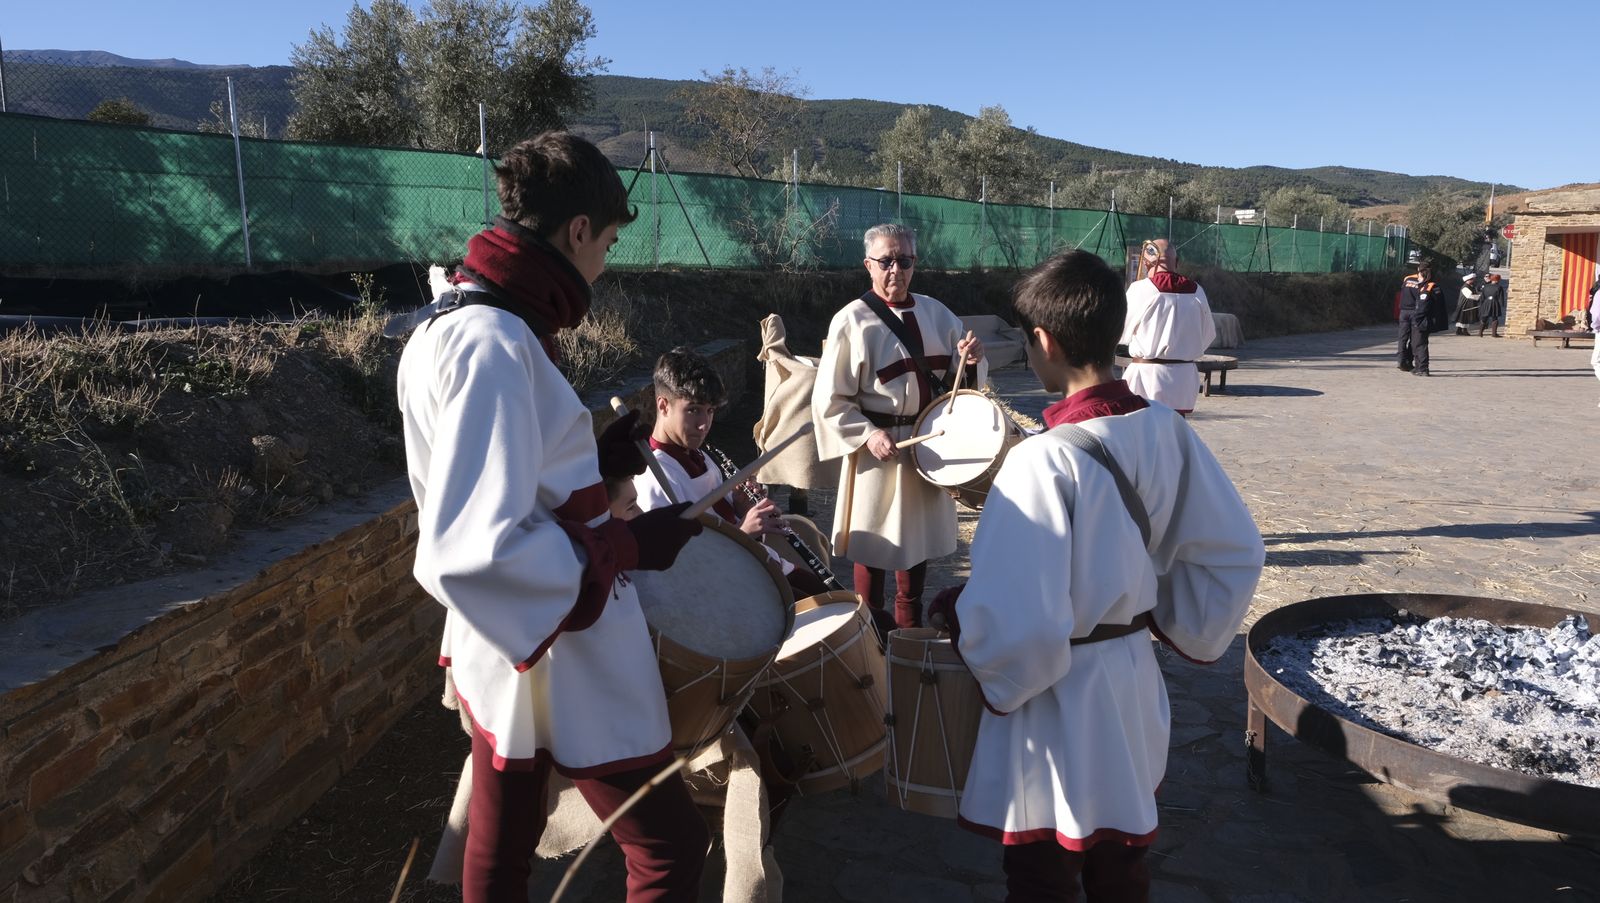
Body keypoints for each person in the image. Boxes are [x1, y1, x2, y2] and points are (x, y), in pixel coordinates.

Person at [396, 131, 709, 903]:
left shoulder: (452, 321)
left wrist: (596, 467)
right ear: (576, 231)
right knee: (669, 845)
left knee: (502, 847)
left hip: (510, 639)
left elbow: (504, 484)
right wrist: (631, 541)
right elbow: (474, 548)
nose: (603, 262)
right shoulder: (494, 343)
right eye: (604, 242)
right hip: (556, 646)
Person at [927, 250, 1264, 903]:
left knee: (1041, 873)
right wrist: (1165, 613)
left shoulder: (1037, 463)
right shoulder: (1168, 429)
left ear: (1044, 342)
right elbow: (1234, 550)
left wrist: (962, 612)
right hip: (1129, 680)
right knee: (1122, 866)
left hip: (1054, 701)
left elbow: (1014, 620)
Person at [813, 223, 985, 630]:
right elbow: (830, 400)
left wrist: (973, 362)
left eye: (904, 260)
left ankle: (908, 638)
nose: (896, 270)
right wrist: (868, 434)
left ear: (915, 263)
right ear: (868, 265)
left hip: (928, 448)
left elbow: (958, 387)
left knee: (916, 549)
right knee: (872, 545)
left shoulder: (938, 313)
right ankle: (868, 635)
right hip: (879, 449)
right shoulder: (850, 321)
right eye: (886, 261)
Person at [633, 346, 830, 599]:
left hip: (759, 564)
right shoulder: (654, 478)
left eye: (710, 411)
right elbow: (681, 567)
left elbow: (721, 523)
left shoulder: (700, 455)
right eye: (693, 409)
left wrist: (741, 507)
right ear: (663, 406)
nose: (704, 425)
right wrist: (745, 532)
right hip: (733, 588)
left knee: (853, 607)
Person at [1120, 238, 1216, 415]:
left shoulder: (1141, 289)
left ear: (1147, 263)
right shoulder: (1197, 291)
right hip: (1183, 379)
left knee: (1143, 433)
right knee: (1173, 432)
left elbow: (1120, 331)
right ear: (1177, 262)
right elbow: (1208, 334)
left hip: (1147, 378)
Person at [1398, 258, 1438, 373]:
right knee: (1416, 339)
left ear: (1418, 269)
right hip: (1416, 312)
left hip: (1404, 311)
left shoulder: (1407, 278)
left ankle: (1401, 360)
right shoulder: (1426, 283)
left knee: (1402, 338)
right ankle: (1412, 363)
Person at [1477, 273, 1505, 338]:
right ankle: (1494, 334)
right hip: (1494, 303)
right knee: (1494, 318)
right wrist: (1502, 304)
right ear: (1497, 280)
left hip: (1486, 303)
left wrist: (1481, 304)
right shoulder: (1499, 287)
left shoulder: (1486, 286)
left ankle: (1480, 333)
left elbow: (1482, 297)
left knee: (1484, 318)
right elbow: (1501, 297)